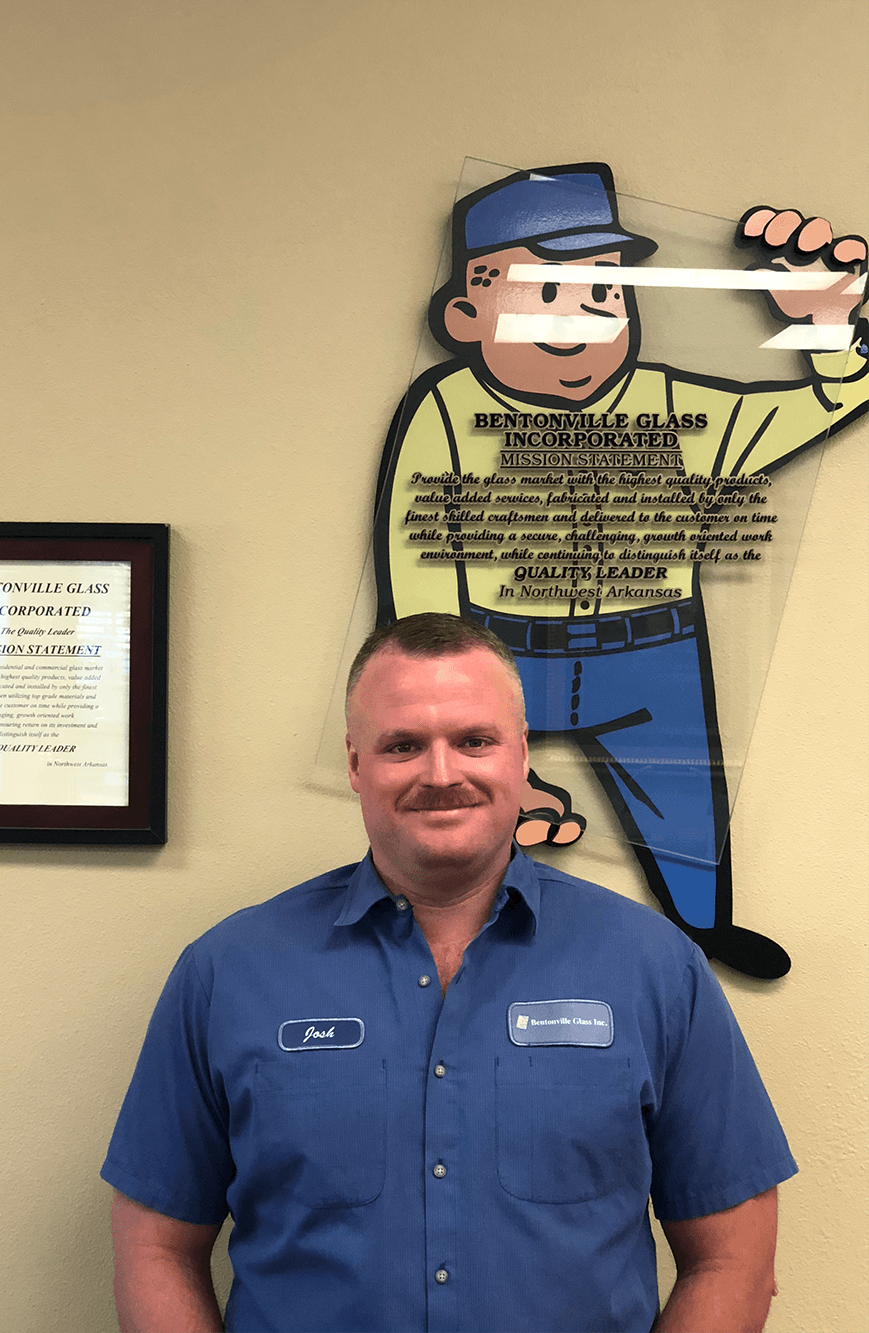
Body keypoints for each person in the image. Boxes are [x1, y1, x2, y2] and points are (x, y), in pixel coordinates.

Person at [103, 612, 797, 1333]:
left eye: (474, 740)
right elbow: (156, 1248)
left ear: (519, 754)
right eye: (403, 744)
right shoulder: (228, 973)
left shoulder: (656, 969)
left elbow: (734, 1258)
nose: (442, 773)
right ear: (354, 762)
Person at [372, 163, 869, 980]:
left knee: (686, 819)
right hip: (502, 651)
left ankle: (703, 932)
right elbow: (420, 555)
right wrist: (447, 691)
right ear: (466, 313)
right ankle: (482, 946)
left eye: (605, 294)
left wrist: (827, 329)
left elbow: (821, 405)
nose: (584, 319)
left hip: (651, 650)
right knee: (474, 804)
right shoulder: (446, 407)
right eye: (547, 292)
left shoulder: (669, 404)